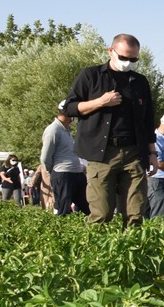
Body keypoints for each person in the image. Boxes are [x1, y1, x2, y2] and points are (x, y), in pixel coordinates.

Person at [63, 33, 157, 225]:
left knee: (135, 215)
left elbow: (148, 120)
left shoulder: (140, 81)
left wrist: (152, 153)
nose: (128, 62)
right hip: (102, 154)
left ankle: (133, 252)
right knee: (102, 214)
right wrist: (100, 102)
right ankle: (98, 254)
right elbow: (69, 108)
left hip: (134, 152)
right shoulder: (90, 75)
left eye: (133, 59)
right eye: (123, 57)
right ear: (111, 52)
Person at [42, 100, 89, 215]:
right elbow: (45, 157)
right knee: (63, 210)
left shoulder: (66, 129)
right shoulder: (53, 130)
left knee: (88, 208)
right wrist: (52, 171)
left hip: (76, 173)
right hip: (62, 173)